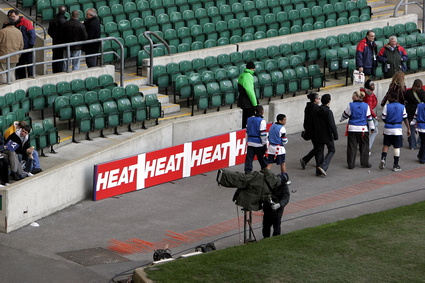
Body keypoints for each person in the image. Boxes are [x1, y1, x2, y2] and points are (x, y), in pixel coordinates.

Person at [340, 91, 375, 169]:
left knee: (352, 147)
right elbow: (369, 118)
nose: (352, 97)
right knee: (364, 146)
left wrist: (341, 120)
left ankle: (351, 164)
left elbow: (345, 115)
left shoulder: (350, 105)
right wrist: (372, 128)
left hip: (352, 128)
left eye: (353, 96)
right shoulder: (366, 106)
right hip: (363, 129)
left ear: (356, 97)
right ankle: (364, 163)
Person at [379, 92, 411, 171]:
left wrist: (387, 122)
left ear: (393, 98)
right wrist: (408, 128)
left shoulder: (387, 106)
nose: (388, 99)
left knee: (386, 145)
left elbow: (383, 117)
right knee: (397, 147)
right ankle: (395, 165)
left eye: (389, 97)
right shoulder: (402, 107)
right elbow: (405, 118)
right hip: (397, 129)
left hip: (388, 129)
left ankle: (383, 159)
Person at [314, 94, 338, 177]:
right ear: (329, 102)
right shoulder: (328, 112)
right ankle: (323, 166)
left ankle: (318, 170)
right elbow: (332, 124)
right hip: (327, 134)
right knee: (331, 150)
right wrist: (335, 135)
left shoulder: (317, 110)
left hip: (318, 134)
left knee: (320, 151)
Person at [7, 10, 36, 80]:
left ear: (17, 15)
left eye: (13, 16)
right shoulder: (10, 24)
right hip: (18, 49)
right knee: (20, 67)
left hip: (27, 48)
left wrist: (30, 45)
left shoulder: (25, 23)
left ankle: (31, 78)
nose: (12, 18)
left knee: (30, 66)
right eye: (10, 16)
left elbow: (32, 34)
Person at [262, 174, 290, 238]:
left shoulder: (284, 187)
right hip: (268, 208)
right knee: (266, 226)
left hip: (277, 211)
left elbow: (286, 198)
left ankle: (275, 239)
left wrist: (279, 204)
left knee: (276, 226)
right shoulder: (270, 182)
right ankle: (266, 238)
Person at [266, 114, 290, 184]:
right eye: (284, 120)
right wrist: (286, 141)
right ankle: (284, 179)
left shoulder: (272, 126)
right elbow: (284, 140)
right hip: (279, 149)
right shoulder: (282, 128)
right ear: (280, 121)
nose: (285, 121)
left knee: (270, 163)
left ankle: (264, 176)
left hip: (271, 148)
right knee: (282, 163)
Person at [300, 92, 320, 170]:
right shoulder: (316, 108)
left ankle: (318, 163)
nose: (319, 100)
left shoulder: (308, 106)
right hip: (314, 130)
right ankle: (305, 159)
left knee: (316, 146)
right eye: (318, 98)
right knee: (318, 147)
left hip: (309, 129)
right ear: (315, 100)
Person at [244, 105, 267, 174]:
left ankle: (247, 174)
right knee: (262, 160)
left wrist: (247, 141)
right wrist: (264, 143)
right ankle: (265, 173)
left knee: (249, 159)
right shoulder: (262, 121)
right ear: (261, 112)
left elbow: (247, 131)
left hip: (250, 142)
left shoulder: (249, 119)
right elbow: (263, 134)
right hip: (259, 143)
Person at [0, 17, 23, 84]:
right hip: (15, 57)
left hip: (3, 56)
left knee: (2, 72)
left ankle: (4, 88)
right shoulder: (19, 32)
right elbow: (21, 45)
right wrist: (18, 55)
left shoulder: (2, 32)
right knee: (12, 72)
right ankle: (12, 87)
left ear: (6, 23)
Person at [404, 79, 425, 150]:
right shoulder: (422, 92)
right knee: (422, 128)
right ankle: (420, 142)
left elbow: (405, 99)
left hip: (409, 111)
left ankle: (412, 145)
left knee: (411, 128)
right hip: (419, 112)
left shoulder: (408, 92)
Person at [237, 62, 257, 129]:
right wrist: (255, 104)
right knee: (250, 121)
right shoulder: (248, 76)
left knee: (244, 121)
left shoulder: (241, 75)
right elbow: (250, 91)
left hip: (242, 101)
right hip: (248, 103)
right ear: (252, 68)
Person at [48, 5, 67, 73]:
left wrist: (54, 36)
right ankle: (59, 71)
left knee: (55, 57)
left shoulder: (53, 20)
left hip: (55, 41)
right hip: (62, 42)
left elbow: (49, 32)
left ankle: (54, 71)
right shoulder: (64, 22)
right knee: (60, 59)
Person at [361, 80, 378, 153]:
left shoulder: (364, 92)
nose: (373, 86)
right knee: (374, 130)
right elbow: (369, 107)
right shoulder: (369, 95)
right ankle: (367, 146)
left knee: (365, 131)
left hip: (363, 114)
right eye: (372, 85)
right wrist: (375, 116)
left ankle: (363, 145)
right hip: (368, 115)